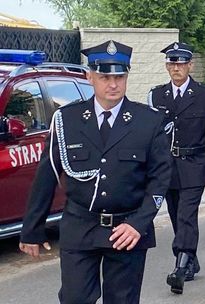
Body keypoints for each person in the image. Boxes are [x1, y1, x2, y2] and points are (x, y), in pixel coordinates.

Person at [19, 40, 172, 304]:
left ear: (126, 77)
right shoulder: (67, 119)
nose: (113, 84)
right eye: (104, 76)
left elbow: (159, 180)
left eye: (119, 77)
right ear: (90, 77)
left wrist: (138, 224)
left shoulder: (149, 121)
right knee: (74, 298)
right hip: (80, 226)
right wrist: (32, 229)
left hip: (127, 228)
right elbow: (47, 175)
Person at [147, 42, 205, 294]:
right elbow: (151, 136)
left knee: (187, 214)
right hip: (167, 166)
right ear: (167, 67)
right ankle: (192, 259)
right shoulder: (157, 95)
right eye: (171, 63)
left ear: (190, 65)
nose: (176, 68)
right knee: (177, 214)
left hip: (194, 164)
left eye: (180, 63)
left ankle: (181, 264)